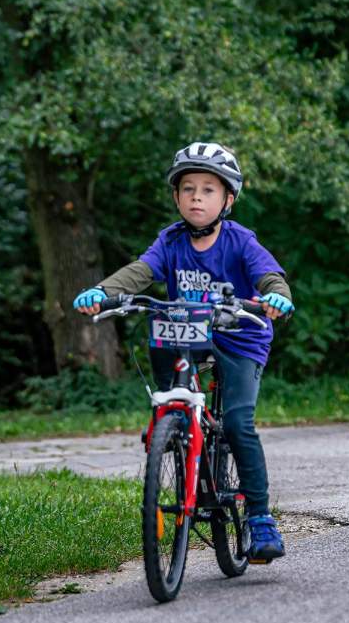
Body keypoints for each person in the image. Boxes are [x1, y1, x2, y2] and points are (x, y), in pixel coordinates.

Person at [74, 141, 293, 561]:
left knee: (237, 422)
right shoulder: (170, 241)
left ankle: (261, 517)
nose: (197, 197)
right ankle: (172, 427)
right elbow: (140, 272)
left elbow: (270, 276)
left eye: (208, 190)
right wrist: (104, 292)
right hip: (185, 332)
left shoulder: (240, 241)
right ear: (176, 196)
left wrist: (276, 296)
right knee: (166, 372)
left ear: (227, 199)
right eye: (188, 188)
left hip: (240, 336)